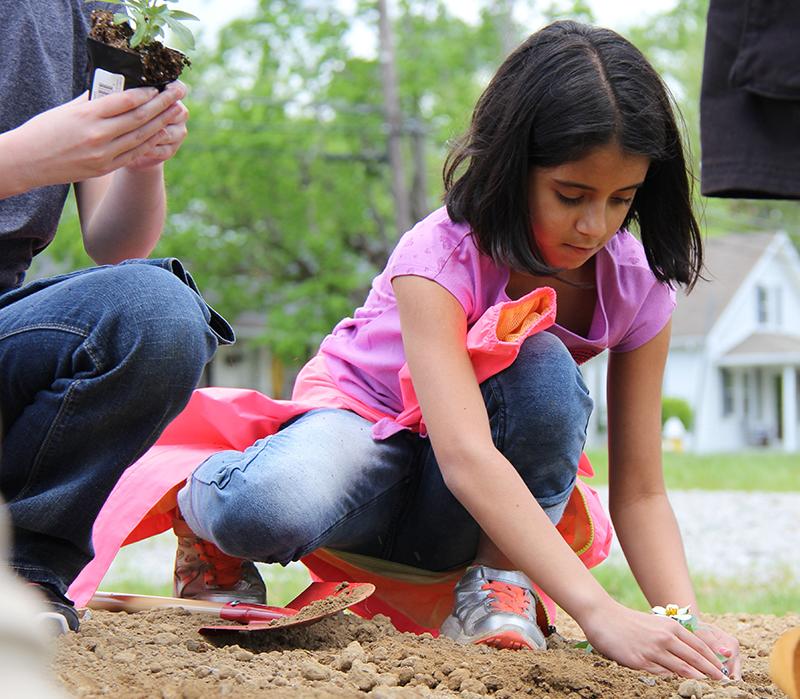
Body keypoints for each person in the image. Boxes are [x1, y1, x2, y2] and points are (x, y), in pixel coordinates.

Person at [172, 20, 740, 679]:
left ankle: (497, 583)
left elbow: (640, 491)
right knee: (265, 508)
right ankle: (201, 502)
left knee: (541, 364)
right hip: (367, 438)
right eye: (571, 195)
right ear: (513, 164)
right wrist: (597, 610)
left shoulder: (638, 285)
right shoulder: (439, 256)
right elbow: (465, 453)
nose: (596, 224)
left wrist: (683, 622)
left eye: (623, 199)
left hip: (456, 504)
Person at [0, 1, 233, 632]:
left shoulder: (81, 13)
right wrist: (19, 161)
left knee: (154, 313)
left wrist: (140, 157)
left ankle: (23, 570)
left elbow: (116, 246)